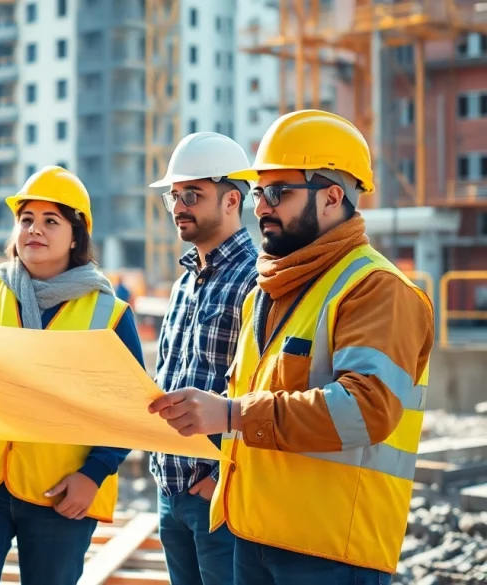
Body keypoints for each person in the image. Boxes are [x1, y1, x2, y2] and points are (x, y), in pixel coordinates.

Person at [149, 110, 435, 584]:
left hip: (330, 550)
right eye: (259, 192)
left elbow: (366, 409)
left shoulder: (377, 289)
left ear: (332, 197)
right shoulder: (269, 292)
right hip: (254, 534)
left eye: (278, 192)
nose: (262, 207)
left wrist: (232, 415)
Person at [0, 166, 145, 585]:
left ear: (75, 237)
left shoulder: (108, 315)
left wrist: (93, 475)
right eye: (26, 220)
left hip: (61, 490)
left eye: (50, 221)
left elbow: (130, 410)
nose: (34, 230)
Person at [146, 132, 258, 585]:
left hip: (218, 497)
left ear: (232, 200)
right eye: (173, 196)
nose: (178, 206)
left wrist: (217, 478)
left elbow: (264, 390)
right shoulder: (183, 284)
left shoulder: (257, 280)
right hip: (171, 490)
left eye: (192, 194)